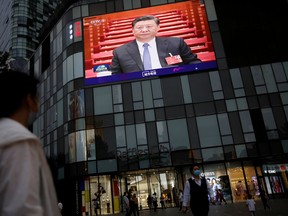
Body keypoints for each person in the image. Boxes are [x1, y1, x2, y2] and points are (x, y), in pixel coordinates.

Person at [0, 70, 61, 216]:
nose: (38, 105)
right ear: (29, 100)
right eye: (37, 98)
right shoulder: (19, 140)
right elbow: (23, 208)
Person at [110, 15, 201, 74]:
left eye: (149, 26)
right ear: (132, 30)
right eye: (139, 27)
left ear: (158, 28)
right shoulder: (120, 52)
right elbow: (115, 76)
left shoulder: (175, 43)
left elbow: (193, 62)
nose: (144, 30)